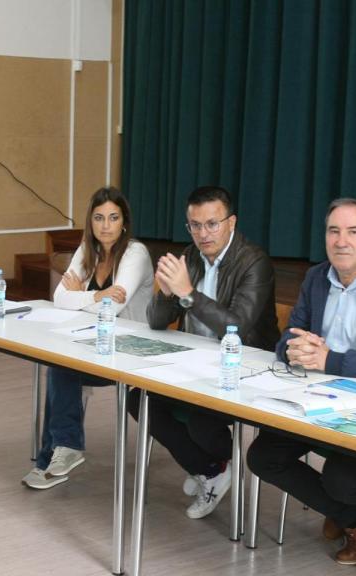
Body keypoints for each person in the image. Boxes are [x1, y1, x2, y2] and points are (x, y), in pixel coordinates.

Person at [246, 198, 356, 565]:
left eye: (353, 232)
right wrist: (295, 349)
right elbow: (285, 338)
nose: (341, 241)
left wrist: (330, 360)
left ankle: (346, 505)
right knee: (262, 456)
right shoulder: (316, 277)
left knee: (340, 479)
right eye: (334, 231)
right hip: (315, 398)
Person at [131, 185, 280, 519]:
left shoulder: (254, 262)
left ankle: (215, 467)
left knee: (200, 416)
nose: (203, 233)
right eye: (195, 225)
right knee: (139, 399)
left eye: (212, 224)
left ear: (231, 223)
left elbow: (237, 328)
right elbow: (156, 321)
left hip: (246, 366)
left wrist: (187, 293)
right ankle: (211, 469)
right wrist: (168, 292)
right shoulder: (191, 256)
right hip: (197, 362)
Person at [22, 187, 153, 489]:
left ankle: (55, 456)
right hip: (91, 342)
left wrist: (80, 294)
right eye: (99, 218)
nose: (106, 225)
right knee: (59, 363)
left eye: (113, 217)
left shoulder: (135, 254)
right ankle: (61, 453)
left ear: (124, 222)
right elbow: (59, 298)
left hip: (129, 351)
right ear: (90, 222)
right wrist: (96, 294)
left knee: (62, 368)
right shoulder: (87, 250)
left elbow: (115, 306)